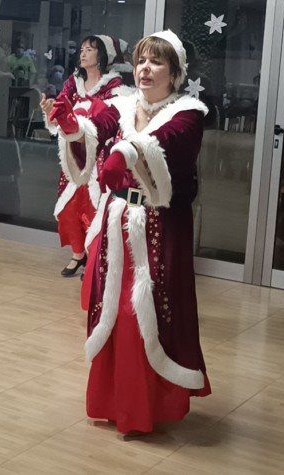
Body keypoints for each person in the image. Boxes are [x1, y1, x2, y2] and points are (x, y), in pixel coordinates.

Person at [50, 29, 210, 435]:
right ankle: (113, 402)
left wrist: (126, 152)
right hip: (117, 223)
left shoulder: (189, 113)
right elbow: (94, 129)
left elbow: (167, 141)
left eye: (156, 62)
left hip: (161, 226)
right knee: (114, 309)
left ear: (174, 73)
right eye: (141, 61)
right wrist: (71, 126)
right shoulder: (122, 106)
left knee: (149, 310)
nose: (145, 69)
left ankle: (147, 408)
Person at [41, 35, 130, 278]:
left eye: (89, 49)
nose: (83, 53)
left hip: (100, 156)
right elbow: (60, 111)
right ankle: (78, 253)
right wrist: (51, 111)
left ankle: (94, 255)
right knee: (70, 204)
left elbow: (111, 122)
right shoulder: (73, 83)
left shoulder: (116, 88)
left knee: (95, 205)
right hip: (73, 156)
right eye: (82, 49)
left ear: (103, 55)